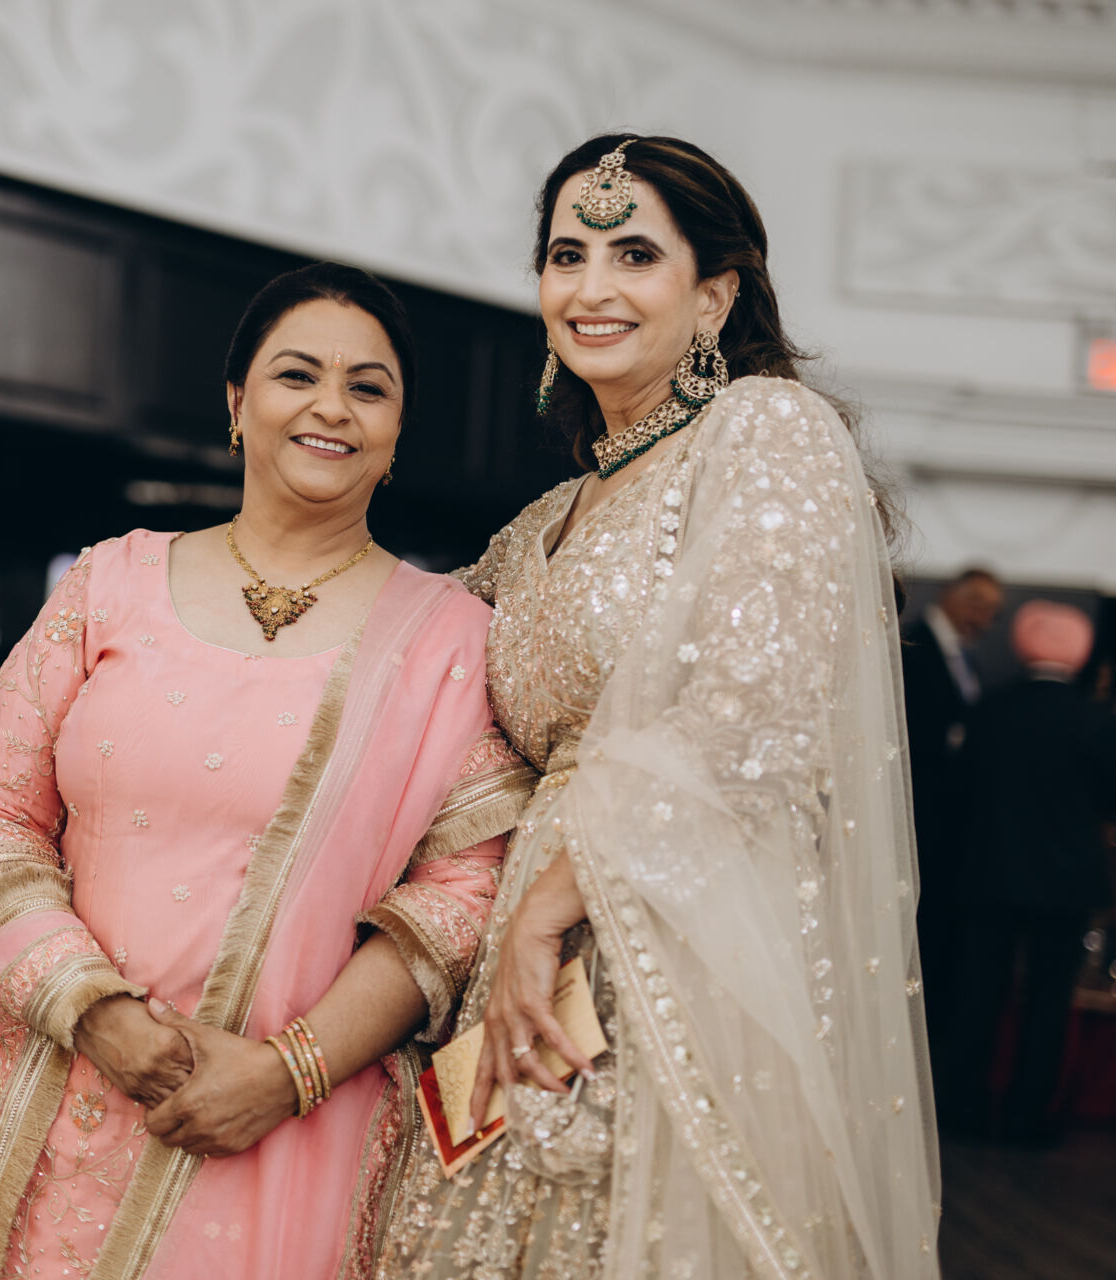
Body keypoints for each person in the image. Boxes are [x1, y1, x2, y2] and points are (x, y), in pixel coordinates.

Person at [0, 263, 536, 1279]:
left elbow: (465, 895)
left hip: (292, 1137)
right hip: (65, 1095)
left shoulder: (450, 639)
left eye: (368, 387)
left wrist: (290, 1070)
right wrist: (93, 1009)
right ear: (237, 403)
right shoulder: (110, 582)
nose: (332, 406)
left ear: (398, 429)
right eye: (297, 374)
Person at [380, 136, 939, 1278]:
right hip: (524, 961)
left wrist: (548, 910)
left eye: (635, 254)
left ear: (714, 295)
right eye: (566, 255)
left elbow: (753, 712)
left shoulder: (765, 431)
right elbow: (400, 661)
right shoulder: (540, 525)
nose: (591, 287)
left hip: (682, 942)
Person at [937, 601, 1116, 1145]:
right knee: (1047, 1002)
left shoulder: (990, 709)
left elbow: (959, 790)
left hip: (991, 871)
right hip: (1065, 883)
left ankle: (964, 1109)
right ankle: (1027, 1119)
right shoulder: (1097, 720)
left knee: (979, 994)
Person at [900, 568, 1003, 1052]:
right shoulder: (913, 646)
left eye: (992, 611)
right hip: (918, 813)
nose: (983, 617)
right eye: (978, 603)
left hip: (949, 826)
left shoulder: (967, 660)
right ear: (949, 594)